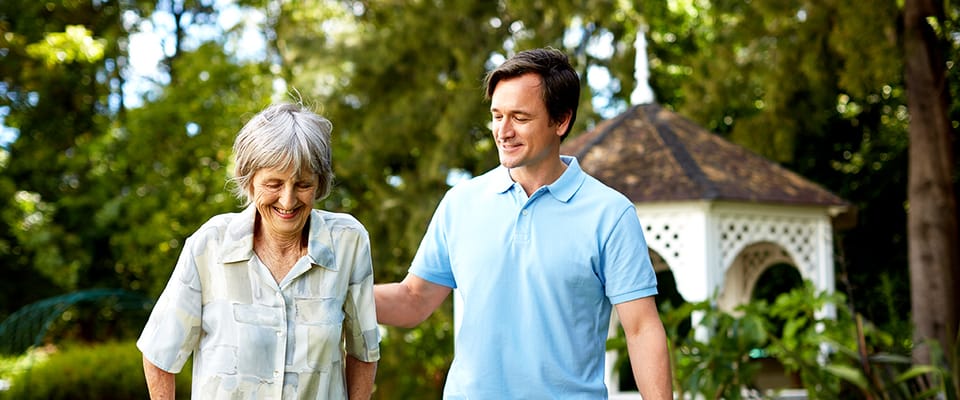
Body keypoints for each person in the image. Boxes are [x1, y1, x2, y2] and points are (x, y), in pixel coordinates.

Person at [375, 47, 672, 399]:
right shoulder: (461, 203)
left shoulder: (610, 214)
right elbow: (414, 300)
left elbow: (641, 329)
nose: (503, 131)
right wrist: (337, 293)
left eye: (520, 117)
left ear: (561, 121)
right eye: (497, 115)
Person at [137, 102, 380, 399]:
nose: (288, 200)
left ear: (319, 184)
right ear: (249, 181)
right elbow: (159, 353)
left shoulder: (347, 242)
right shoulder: (210, 244)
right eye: (274, 184)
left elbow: (363, 352)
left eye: (303, 184)